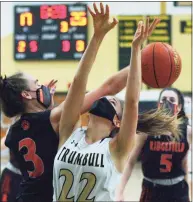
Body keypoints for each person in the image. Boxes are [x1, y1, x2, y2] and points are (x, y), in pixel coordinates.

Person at [0, 4, 132, 202]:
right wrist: (140, 62)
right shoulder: (53, 118)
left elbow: (37, 132)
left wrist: (49, 106)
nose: (42, 86)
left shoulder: (14, 131)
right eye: (37, 84)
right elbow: (109, 87)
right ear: (27, 95)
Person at [53, 4, 161, 201]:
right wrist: (97, 37)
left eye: (113, 101)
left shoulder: (118, 149)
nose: (106, 98)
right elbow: (79, 82)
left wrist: (136, 49)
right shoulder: (69, 132)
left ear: (117, 122)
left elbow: (131, 102)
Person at [116, 87, 191, 202]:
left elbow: (185, 164)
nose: (167, 102)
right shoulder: (147, 130)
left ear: (179, 107)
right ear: (159, 104)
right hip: (152, 189)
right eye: (164, 99)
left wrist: (189, 195)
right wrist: (119, 191)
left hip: (178, 190)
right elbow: (130, 162)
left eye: (172, 100)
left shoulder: (187, 131)